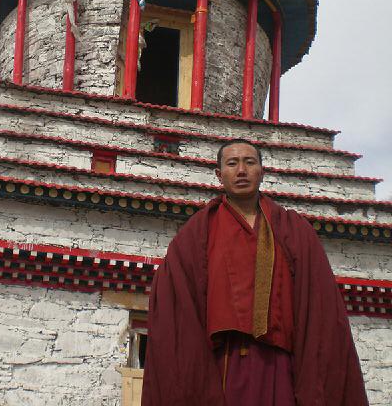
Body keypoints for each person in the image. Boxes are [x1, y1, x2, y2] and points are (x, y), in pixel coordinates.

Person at [142, 139, 368, 406]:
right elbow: (175, 299)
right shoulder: (198, 232)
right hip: (224, 364)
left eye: (249, 162)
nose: (241, 170)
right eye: (232, 163)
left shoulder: (293, 230)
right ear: (219, 174)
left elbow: (320, 303)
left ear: (262, 171)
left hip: (280, 363)